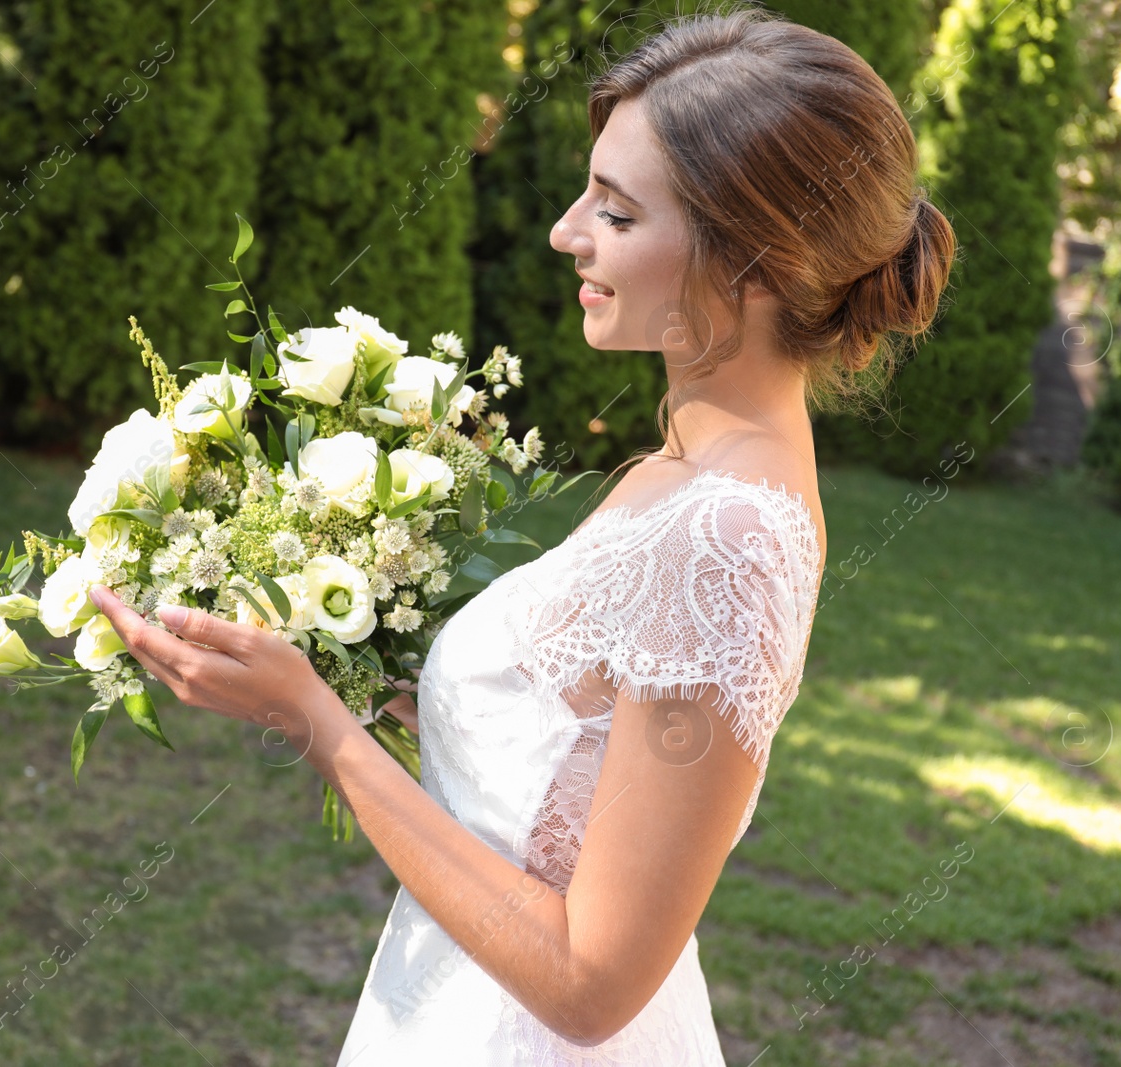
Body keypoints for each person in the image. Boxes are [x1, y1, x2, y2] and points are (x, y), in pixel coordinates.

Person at [88, 6, 954, 1063]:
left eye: (617, 213)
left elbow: (591, 982)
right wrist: (348, 667)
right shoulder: (681, 468)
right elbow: (569, 758)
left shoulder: (728, 533)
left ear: (753, 262)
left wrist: (326, 730)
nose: (565, 230)